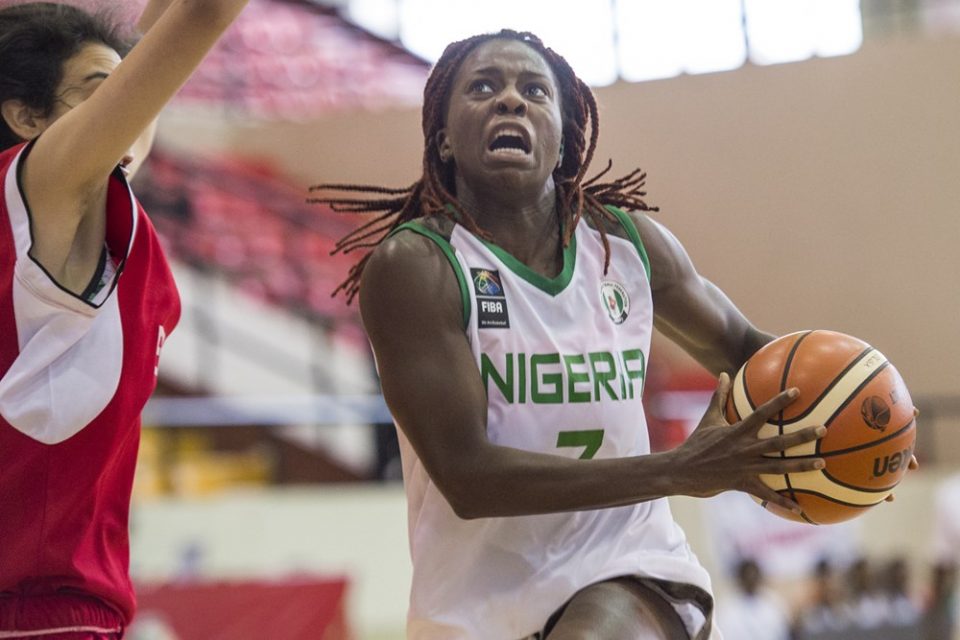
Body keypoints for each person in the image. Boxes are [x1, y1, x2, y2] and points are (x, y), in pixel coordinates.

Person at [311, 30, 909, 639]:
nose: (511, 101)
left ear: (566, 136)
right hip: (471, 608)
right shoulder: (417, 267)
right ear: (441, 135)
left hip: (632, 568)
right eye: (484, 87)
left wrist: (866, 421)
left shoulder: (627, 245)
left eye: (535, 90)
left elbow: (752, 350)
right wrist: (675, 469)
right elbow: (468, 478)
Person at [0, 1, 247, 638]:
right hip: (34, 612)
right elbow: (203, 14)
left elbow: (142, 54)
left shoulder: (71, 204)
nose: (134, 109)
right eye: (102, 92)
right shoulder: (46, 184)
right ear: (27, 117)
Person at [716, 558, 790, 640]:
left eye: (754, 576)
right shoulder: (727, 607)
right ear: (740, 579)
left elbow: (783, 633)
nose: (751, 580)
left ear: (759, 578)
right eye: (747, 577)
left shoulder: (772, 602)